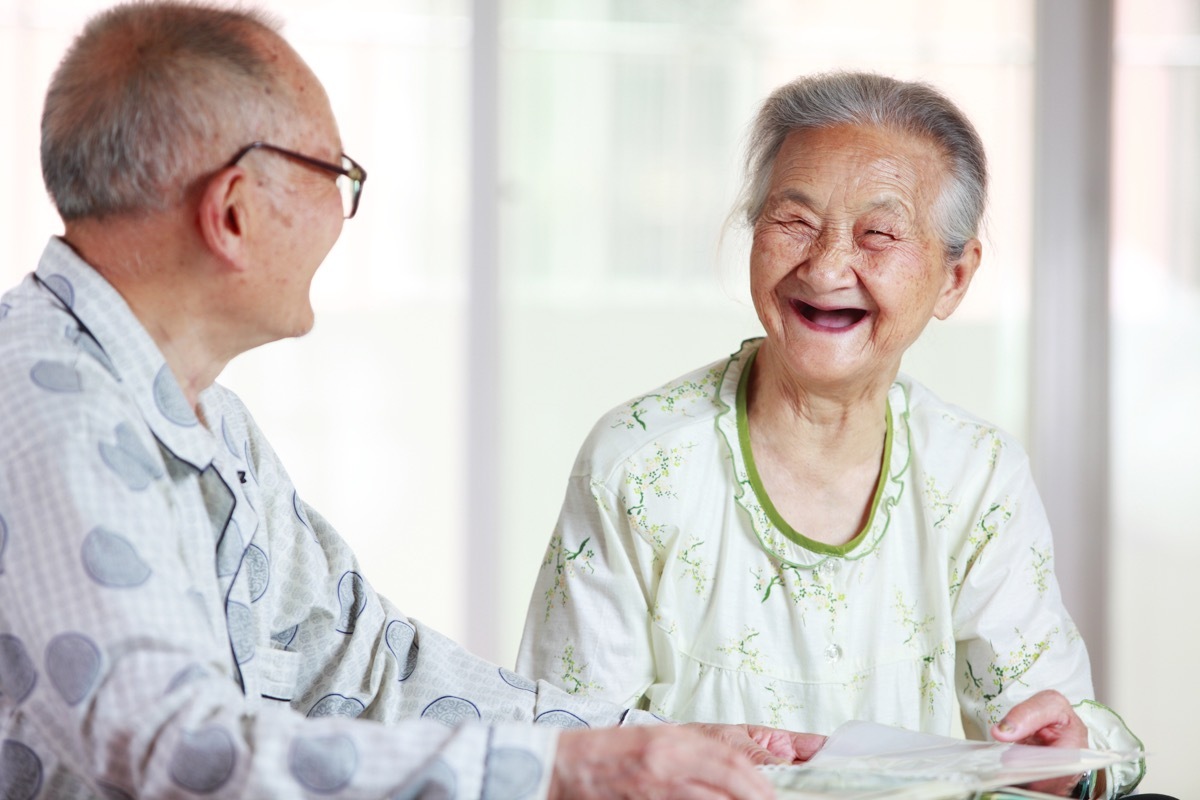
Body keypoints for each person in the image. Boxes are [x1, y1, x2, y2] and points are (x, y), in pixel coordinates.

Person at [0, 4, 826, 798]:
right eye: (334, 174)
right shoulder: (51, 411)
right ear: (233, 211)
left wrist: (626, 742)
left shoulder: (209, 421)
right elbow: (180, 748)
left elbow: (359, 665)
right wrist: (555, 776)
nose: (344, 211)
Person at [516, 72, 1144, 798]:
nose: (826, 266)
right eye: (795, 221)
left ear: (954, 277)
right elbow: (562, 746)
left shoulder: (977, 474)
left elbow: (1059, 737)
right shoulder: (637, 462)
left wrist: (1061, 761)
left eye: (878, 233)